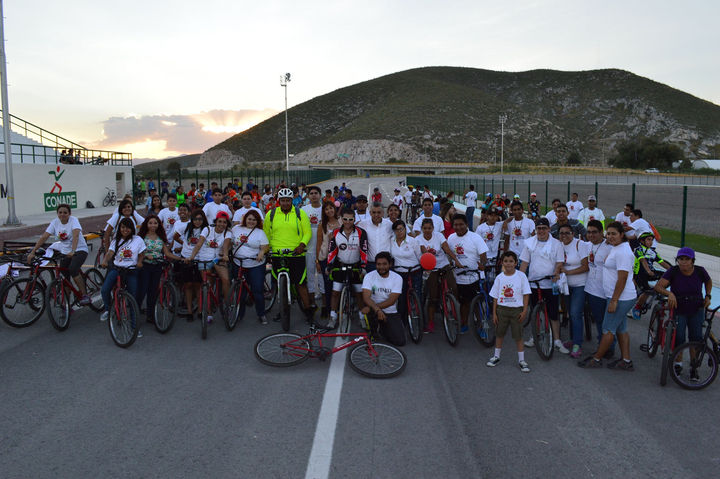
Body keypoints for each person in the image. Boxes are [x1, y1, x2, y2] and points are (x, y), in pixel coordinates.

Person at [578, 222, 636, 370]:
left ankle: (596, 359)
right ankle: (626, 361)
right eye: (608, 233)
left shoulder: (623, 252)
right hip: (617, 295)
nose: (610, 237)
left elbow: (622, 278)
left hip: (621, 297)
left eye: (614, 234)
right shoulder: (618, 248)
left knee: (608, 329)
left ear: (621, 235)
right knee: (621, 329)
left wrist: (614, 300)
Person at [654, 247, 712, 378]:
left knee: (695, 338)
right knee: (679, 337)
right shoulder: (673, 271)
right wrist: (670, 294)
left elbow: (708, 281)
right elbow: (658, 286)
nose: (684, 262)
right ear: (677, 260)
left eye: (687, 259)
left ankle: (693, 366)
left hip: (697, 308)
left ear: (692, 261)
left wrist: (708, 295)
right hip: (679, 309)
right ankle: (678, 363)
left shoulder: (700, 271)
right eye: (681, 259)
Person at [264, 188, 314, 320]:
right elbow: (266, 233)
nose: (285, 203)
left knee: (300, 284)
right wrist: (267, 249)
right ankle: (282, 309)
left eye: (288, 200)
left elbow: (307, 232)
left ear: (292, 201)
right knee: (279, 284)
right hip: (277, 253)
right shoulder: (271, 214)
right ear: (279, 201)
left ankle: (308, 311)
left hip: (296, 253)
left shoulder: (300, 213)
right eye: (283, 200)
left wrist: (302, 245)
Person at [519, 218, 568, 353]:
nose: (541, 231)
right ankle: (535, 336)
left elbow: (559, 262)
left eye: (544, 228)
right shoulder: (529, 243)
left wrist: (556, 273)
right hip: (534, 283)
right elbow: (524, 263)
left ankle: (557, 340)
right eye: (538, 228)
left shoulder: (557, 244)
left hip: (550, 283)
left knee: (553, 313)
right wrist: (520, 279)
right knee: (535, 312)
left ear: (549, 229)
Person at [27, 204, 90, 305]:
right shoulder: (55, 222)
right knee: (63, 272)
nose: (62, 214)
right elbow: (44, 237)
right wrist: (33, 251)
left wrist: (73, 251)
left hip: (79, 250)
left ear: (69, 213)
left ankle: (84, 294)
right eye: (60, 212)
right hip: (65, 252)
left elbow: (76, 235)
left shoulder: (73, 220)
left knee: (73, 269)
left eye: (65, 212)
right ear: (57, 214)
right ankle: (67, 299)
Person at [486, 251, 532, 372]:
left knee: (518, 335)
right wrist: (494, 313)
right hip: (502, 310)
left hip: (517, 310)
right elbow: (495, 297)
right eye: (506, 261)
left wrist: (524, 311)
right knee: (499, 334)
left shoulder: (521, 276)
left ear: (516, 263)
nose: (508, 264)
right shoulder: (499, 278)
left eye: (511, 261)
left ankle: (521, 360)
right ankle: (496, 356)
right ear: (502, 263)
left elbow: (526, 294)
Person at [99, 218, 145, 331]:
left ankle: (134, 326)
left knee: (132, 298)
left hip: (131, 270)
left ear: (132, 229)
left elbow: (142, 253)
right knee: (105, 290)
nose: (125, 230)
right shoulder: (116, 240)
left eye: (128, 227)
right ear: (119, 228)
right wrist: (105, 261)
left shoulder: (138, 239)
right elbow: (110, 253)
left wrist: (139, 262)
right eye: (123, 227)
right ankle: (109, 310)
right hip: (117, 269)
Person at [417, 218, 461, 333]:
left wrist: (455, 260)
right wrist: (427, 258)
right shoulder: (419, 239)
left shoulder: (439, 236)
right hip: (430, 268)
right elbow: (423, 251)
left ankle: (455, 311)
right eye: (425, 228)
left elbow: (446, 248)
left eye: (429, 228)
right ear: (422, 229)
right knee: (433, 297)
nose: (427, 230)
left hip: (443, 264)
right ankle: (431, 322)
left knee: (453, 287)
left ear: (433, 228)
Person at [326, 208, 368, 329]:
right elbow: (332, 251)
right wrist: (329, 265)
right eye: (345, 219)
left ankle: (362, 318)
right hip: (340, 265)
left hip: (356, 266)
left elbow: (364, 250)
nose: (348, 222)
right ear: (341, 219)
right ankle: (333, 317)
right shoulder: (335, 232)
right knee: (335, 292)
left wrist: (363, 267)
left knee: (359, 293)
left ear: (354, 219)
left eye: (350, 219)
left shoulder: (361, 232)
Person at [447, 214, 488, 332]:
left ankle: (481, 326)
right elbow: (450, 255)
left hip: (475, 276)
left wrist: (482, 265)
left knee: (476, 303)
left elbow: (483, 256)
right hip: (459, 277)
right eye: (455, 225)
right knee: (464, 302)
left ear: (467, 224)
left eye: (461, 224)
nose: (458, 227)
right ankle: (464, 323)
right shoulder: (451, 238)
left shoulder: (475, 237)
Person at [136, 215, 180, 324]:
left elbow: (167, 253)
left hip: (157, 266)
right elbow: (136, 252)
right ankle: (135, 312)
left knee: (153, 291)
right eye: (150, 223)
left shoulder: (160, 237)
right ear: (146, 224)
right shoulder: (141, 237)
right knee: (142, 290)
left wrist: (180, 259)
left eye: (155, 223)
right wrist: (146, 256)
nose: (153, 225)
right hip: (145, 266)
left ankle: (150, 315)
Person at [231, 210, 270, 324]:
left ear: (257, 221)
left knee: (257, 290)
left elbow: (265, 246)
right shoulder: (236, 229)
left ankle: (261, 314)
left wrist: (261, 252)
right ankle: (239, 314)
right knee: (240, 291)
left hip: (255, 265)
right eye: (249, 219)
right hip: (238, 263)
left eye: (254, 220)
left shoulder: (260, 232)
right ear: (245, 219)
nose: (251, 221)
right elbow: (229, 241)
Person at [583, 220, 615, 358]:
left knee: (605, 321)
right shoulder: (586, 245)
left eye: (594, 232)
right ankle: (602, 344)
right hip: (591, 289)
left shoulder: (610, 247)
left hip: (605, 291)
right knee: (598, 319)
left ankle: (608, 348)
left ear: (602, 233)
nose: (591, 235)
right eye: (589, 232)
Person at [558, 223, 590, 358]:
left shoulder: (579, 244)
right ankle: (573, 339)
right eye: (561, 233)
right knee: (570, 313)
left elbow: (585, 266)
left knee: (575, 313)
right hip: (565, 286)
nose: (564, 235)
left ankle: (578, 344)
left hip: (580, 285)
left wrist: (568, 272)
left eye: (567, 233)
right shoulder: (558, 246)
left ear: (573, 233)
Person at [360, 251, 405, 346]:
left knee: (400, 341)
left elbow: (391, 301)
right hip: (373, 310)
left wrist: (376, 308)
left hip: (389, 311)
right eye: (378, 264)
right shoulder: (369, 276)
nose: (381, 267)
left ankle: (383, 329)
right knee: (373, 335)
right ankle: (374, 329)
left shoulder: (397, 278)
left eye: (384, 264)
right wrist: (377, 310)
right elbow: (366, 297)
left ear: (390, 264)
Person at [629, 231, 670, 319]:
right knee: (647, 291)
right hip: (639, 274)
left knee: (666, 277)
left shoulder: (653, 252)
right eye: (648, 239)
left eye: (652, 240)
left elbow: (662, 262)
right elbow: (643, 260)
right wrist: (648, 271)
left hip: (650, 272)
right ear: (642, 241)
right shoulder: (638, 249)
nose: (651, 242)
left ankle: (658, 289)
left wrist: (673, 271)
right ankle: (637, 307)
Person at [390, 219, 422, 324]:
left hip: (414, 271)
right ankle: (402, 322)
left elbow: (420, 256)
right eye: (396, 230)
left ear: (405, 229)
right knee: (401, 298)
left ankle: (421, 321)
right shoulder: (391, 241)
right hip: (399, 273)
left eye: (401, 229)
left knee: (417, 296)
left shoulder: (413, 241)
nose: (399, 232)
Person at [316, 201, 341, 319]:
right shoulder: (322, 225)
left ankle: (338, 308)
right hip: (325, 257)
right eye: (326, 209)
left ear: (335, 209)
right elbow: (319, 243)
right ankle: (329, 309)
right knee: (328, 284)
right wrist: (317, 261)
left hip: (340, 257)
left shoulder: (341, 222)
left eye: (331, 208)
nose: (329, 211)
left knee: (339, 284)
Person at [302, 186, 324, 308]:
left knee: (321, 276)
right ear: (308, 196)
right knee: (310, 276)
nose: (314, 195)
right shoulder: (303, 210)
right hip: (308, 249)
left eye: (316, 193)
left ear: (320, 195)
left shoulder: (325, 209)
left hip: (322, 250)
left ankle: (325, 303)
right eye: (311, 193)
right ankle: (312, 303)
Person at [358, 202, 392, 273]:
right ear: (370, 213)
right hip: (370, 264)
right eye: (374, 212)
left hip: (386, 264)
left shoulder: (389, 225)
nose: (376, 215)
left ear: (383, 213)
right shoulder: (362, 224)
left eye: (379, 212)